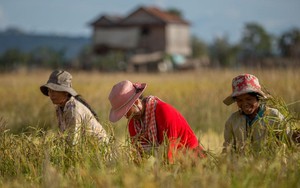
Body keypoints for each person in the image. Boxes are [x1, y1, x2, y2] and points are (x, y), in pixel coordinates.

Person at [108, 80, 205, 163]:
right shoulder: (133, 124)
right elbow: (139, 157)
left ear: (136, 102)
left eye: (126, 111)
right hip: (166, 164)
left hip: (193, 161)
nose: (126, 116)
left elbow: (170, 155)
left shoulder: (163, 111)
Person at [222, 74, 287, 153]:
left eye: (249, 99)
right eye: (240, 100)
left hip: (271, 164)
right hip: (244, 164)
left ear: (258, 98)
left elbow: (290, 140)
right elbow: (228, 149)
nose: (245, 103)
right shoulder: (233, 120)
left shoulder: (273, 116)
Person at [40, 70, 108, 145]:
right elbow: (64, 135)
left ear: (65, 92)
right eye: (49, 91)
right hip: (84, 147)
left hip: (98, 148)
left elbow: (72, 142)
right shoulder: (59, 107)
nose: (51, 95)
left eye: (54, 91)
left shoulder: (73, 110)